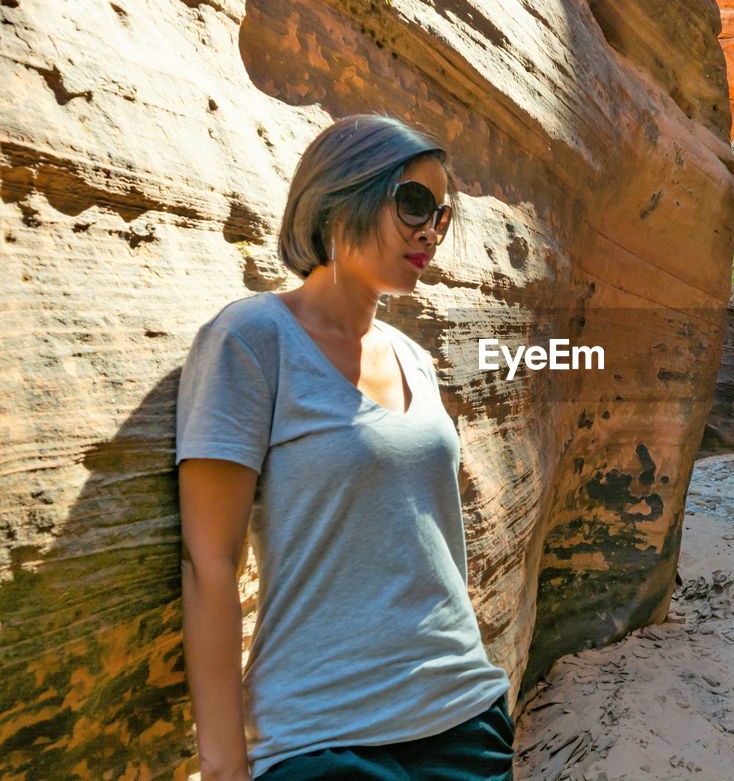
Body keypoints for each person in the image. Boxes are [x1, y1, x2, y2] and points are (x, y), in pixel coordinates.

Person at [176, 114, 515, 780]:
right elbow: (208, 560)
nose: (430, 231)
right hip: (324, 737)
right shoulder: (251, 340)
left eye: (442, 216)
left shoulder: (415, 360)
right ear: (339, 195)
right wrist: (222, 765)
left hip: (463, 719)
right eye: (414, 202)